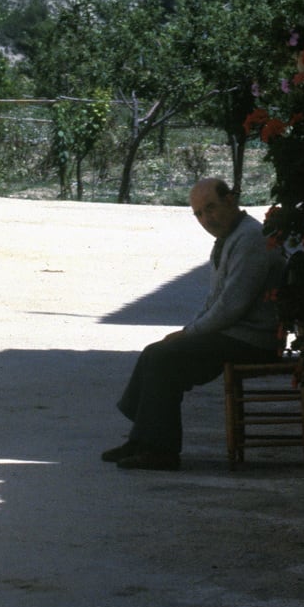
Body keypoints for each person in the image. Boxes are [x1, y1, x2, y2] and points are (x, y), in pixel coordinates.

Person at [104, 178, 282, 470]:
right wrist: (188, 331)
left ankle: (161, 451)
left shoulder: (250, 238)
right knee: (156, 352)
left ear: (230, 200)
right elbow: (216, 302)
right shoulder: (230, 238)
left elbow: (230, 307)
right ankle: (142, 440)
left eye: (210, 208)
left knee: (165, 358)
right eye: (199, 214)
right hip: (235, 333)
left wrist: (189, 333)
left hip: (253, 339)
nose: (206, 219)